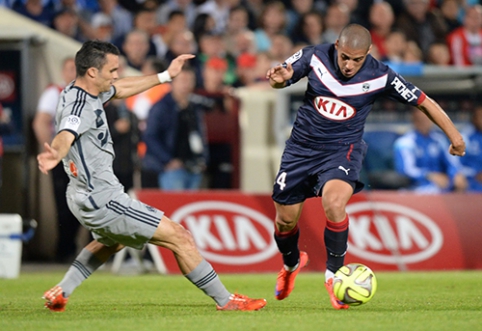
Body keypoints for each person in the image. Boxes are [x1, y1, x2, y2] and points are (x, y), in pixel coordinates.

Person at [37, 40, 266, 312]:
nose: (116, 75)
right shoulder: (79, 108)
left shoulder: (81, 91)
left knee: (113, 241)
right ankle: (226, 300)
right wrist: (57, 152)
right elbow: (67, 133)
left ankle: (62, 290)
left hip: (82, 195)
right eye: (111, 69)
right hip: (103, 198)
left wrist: (165, 76)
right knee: (179, 237)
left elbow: (119, 89)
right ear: (92, 73)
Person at [265, 24, 465, 310]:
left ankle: (334, 278)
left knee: (334, 203)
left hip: (342, 150)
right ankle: (291, 264)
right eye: (345, 57)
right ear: (336, 45)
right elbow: (281, 79)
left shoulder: (381, 75)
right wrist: (277, 80)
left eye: (356, 59)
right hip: (300, 150)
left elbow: (423, 101)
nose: (349, 65)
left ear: (368, 53)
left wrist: (454, 136)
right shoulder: (314, 56)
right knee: (285, 221)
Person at [33, 57, 82, 263]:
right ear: (63, 72)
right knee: (64, 205)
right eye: (70, 69)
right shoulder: (55, 93)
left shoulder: (85, 95)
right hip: (63, 158)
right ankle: (63, 250)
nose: (73, 73)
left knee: (82, 205)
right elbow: (40, 123)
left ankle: (74, 249)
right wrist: (53, 152)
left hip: (83, 160)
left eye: (77, 69)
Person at [142, 67, 208, 190]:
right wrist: (168, 160)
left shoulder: (193, 107)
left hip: (193, 167)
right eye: (183, 80)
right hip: (171, 168)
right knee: (175, 206)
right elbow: (149, 136)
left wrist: (203, 158)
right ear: (173, 82)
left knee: (191, 206)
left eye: (190, 80)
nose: (186, 84)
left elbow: (199, 134)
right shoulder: (160, 107)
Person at [393, 108, 467, 193]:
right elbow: (406, 170)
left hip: (442, 186)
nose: (424, 123)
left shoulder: (439, 140)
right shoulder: (405, 142)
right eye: (420, 119)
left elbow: (451, 162)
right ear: (414, 120)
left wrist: (456, 174)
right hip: (416, 188)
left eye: (427, 119)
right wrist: (429, 175)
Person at [460, 106, 482, 192]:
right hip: (471, 181)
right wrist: (475, 174)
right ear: (474, 119)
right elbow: (457, 165)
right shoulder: (465, 136)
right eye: (480, 116)